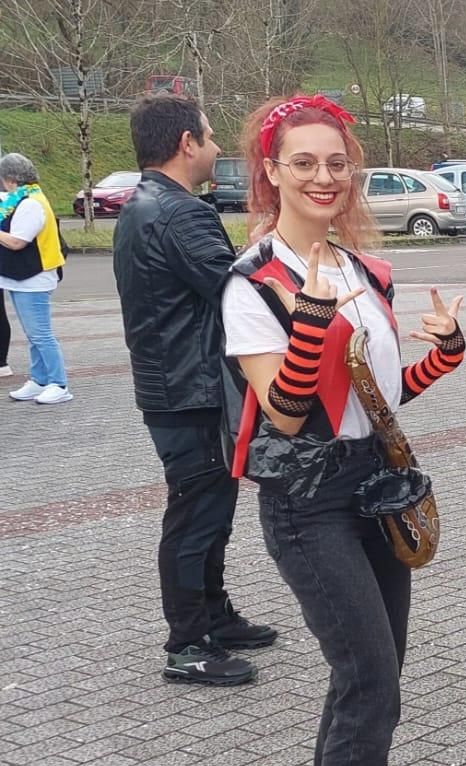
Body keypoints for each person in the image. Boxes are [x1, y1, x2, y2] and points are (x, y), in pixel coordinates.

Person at [222, 93, 466, 766]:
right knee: (371, 680)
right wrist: (313, 319)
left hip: (374, 484)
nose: (324, 177)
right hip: (307, 502)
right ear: (271, 172)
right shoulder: (253, 283)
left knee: (375, 669)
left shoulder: (367, 270)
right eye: (304, 163)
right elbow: (286, 413)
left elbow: (380, 397)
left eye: (336, 162)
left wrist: (443, 351)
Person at [113, 93, 278, 686]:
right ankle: (187, 644)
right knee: (195, 517)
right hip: (192, 392)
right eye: (208, 138)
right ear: (186, 144)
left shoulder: (142, 205)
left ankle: (213, 616)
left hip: (175, 386)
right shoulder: (179, 212)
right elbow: (237, 290)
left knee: (210, 511)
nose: (213, 149)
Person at [0, 152, 70, 405]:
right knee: (33, 334)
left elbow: (18, 241)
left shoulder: (31, 203)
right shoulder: (21, 198)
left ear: (10, 179)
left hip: (34, 278)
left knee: (40, 334)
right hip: (20, 278)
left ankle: (59, 383)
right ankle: (39, 379)